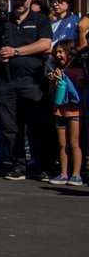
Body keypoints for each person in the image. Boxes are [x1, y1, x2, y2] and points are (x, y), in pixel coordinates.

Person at [0, 0, 54, 181]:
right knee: (10, 126)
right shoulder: (2, 20)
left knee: (37, 125)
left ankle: (42, 164)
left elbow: (45, 44)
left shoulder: (40, 20)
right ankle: (18, 165)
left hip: (32, 80)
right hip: (5, 81)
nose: (18, 2)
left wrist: (16, 51)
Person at [45, 40, 83, 185]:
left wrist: (64, 79)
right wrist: (52, 81)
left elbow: (77, 90)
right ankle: (63, 173)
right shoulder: (55, 70)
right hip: (59, 111)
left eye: (61, 52)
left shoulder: (77, 71)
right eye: (56, 52)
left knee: (74, 143)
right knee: (62, 143)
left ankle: (76, 174)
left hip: (74, 111)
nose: (58, 55)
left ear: (69, 53)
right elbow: (52, 93)